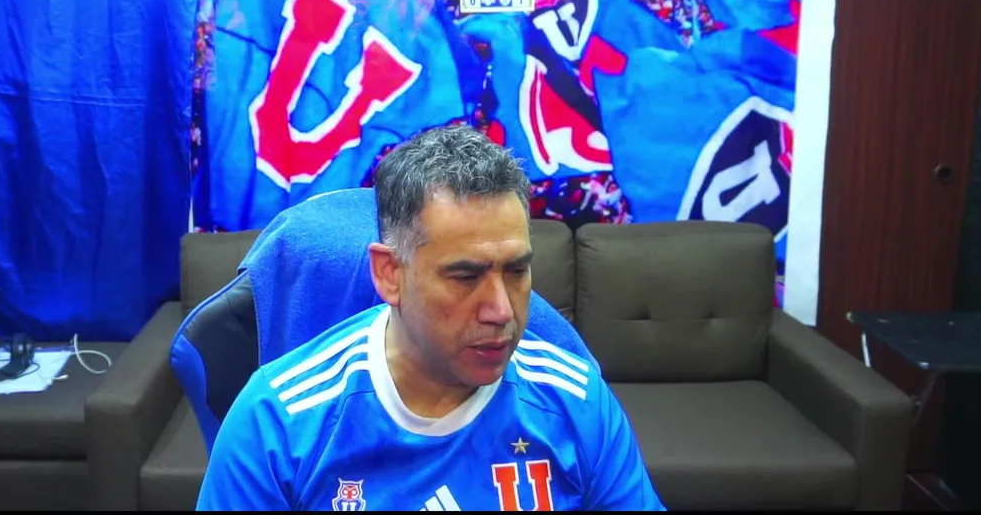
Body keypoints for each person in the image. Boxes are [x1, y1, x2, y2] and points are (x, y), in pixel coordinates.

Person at [196, 124, 664, 511]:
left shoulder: (576, 400)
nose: (502, 311)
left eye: (516, 271)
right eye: (465, 277)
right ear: (389, 274)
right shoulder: (276, 424)